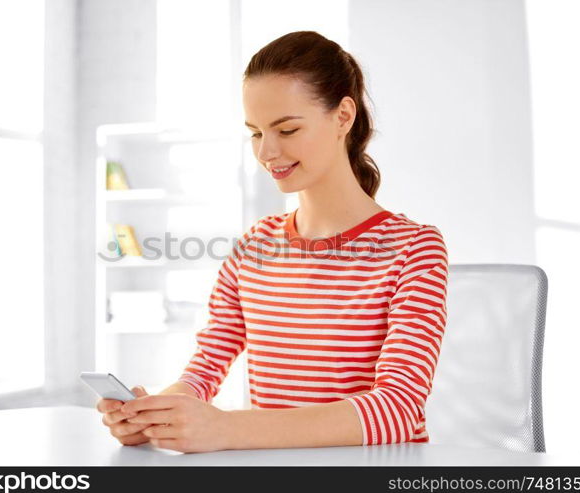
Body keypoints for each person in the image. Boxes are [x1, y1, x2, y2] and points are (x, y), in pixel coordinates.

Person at [97, 31, 449, 453]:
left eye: (286, 129)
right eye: (256, 133)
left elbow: (397, 409)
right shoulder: (253, 247)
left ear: (343, 117)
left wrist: (226, 430)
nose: (267, 152)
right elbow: (205, 369)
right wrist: (157, 416)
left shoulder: (414, 248)